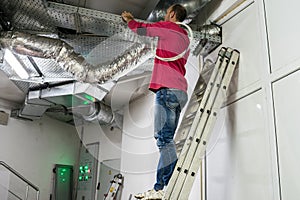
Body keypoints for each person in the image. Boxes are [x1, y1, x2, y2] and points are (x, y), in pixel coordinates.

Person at [121, 4, 190, 199]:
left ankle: (161, 188)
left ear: (173, 14)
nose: (166, 15)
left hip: (166, 90)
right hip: (180, 92)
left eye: (167, 12)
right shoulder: (185, 38)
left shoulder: (169, 27)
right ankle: (167, 182)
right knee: (167, 140)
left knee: (164, 141)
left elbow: (144, 30)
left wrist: (129, 20)